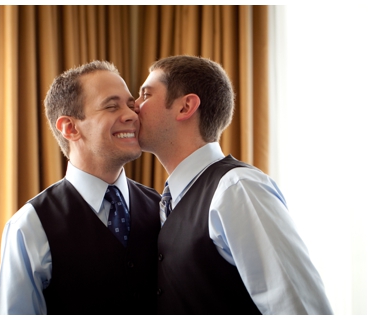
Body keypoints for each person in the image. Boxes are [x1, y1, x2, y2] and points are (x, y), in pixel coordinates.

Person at [134, 55, 331, 314]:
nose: (134, 107)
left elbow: (300, 308)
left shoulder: (237, 188)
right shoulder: (167, 201)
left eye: (145, 95)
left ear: (185, 107)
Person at [0, 61, 161, 315]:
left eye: (130, 104)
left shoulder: (160, 206)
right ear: (70, 128)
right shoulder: (30, 226)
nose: (131, 115)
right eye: (112, 106)